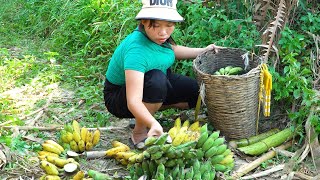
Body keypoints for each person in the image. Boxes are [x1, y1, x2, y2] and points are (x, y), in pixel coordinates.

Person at [103, 0, 220, 149]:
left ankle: (148, 110)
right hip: (120, 96)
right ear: (144, 22)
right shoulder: (136, 51)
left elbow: (172, 50)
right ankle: (139, 132)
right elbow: (133, 101)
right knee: (157, 82)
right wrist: (153, 123)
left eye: (169, 25)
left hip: (154, 82)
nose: (163, 32)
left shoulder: (158, 39)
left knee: (199, 93)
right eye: (157, 25)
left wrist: (204, 50)